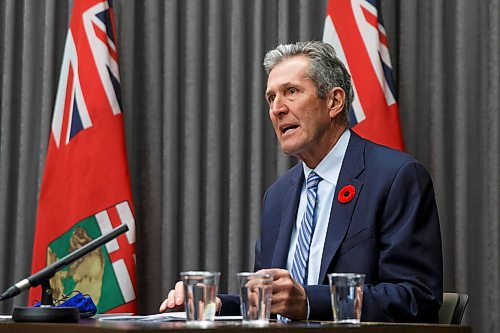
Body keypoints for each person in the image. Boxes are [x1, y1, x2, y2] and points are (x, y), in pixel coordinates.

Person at [160, 41, 443, 322]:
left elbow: (416, 298)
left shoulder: (396, 177)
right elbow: (272, 299)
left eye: (291, 92)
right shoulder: (278, 195)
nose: (277, 109)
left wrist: (308, 301)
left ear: (334, 101)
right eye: (271, 98)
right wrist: (216, 303)